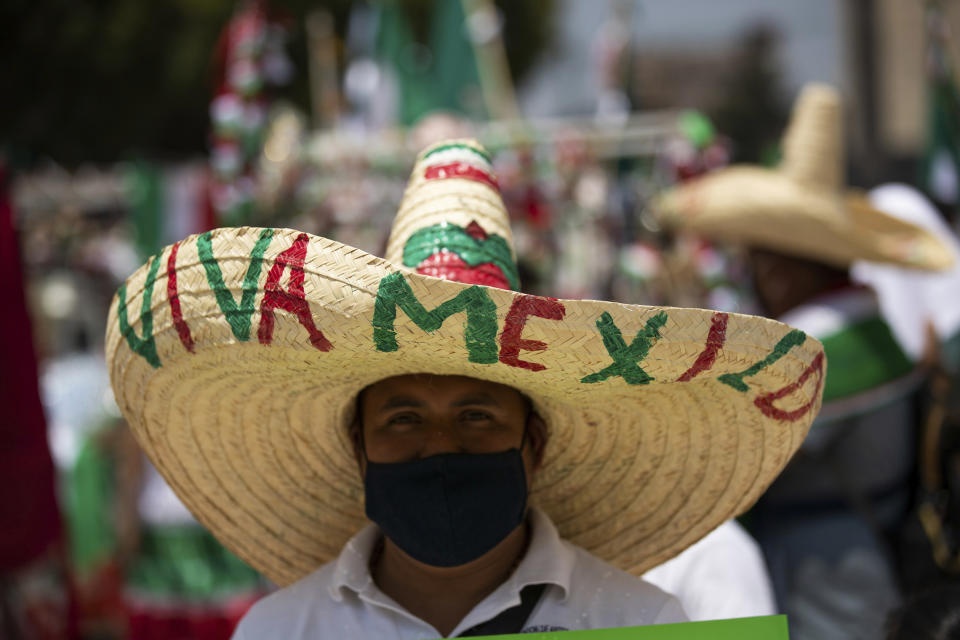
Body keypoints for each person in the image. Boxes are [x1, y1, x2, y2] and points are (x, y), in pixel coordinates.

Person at [105, 139, 826, 637]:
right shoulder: (279, 632)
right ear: (358, 447)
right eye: (404, 418)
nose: (439, 446)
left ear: (534, 445)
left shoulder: (642, 621)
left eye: (478, 415)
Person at [655, 84, 954, 640]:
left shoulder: (816, 355)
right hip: (862, 559)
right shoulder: (872, 331)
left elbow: (717, 451)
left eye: (759, 265)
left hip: (828, 587)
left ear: (782, 270)